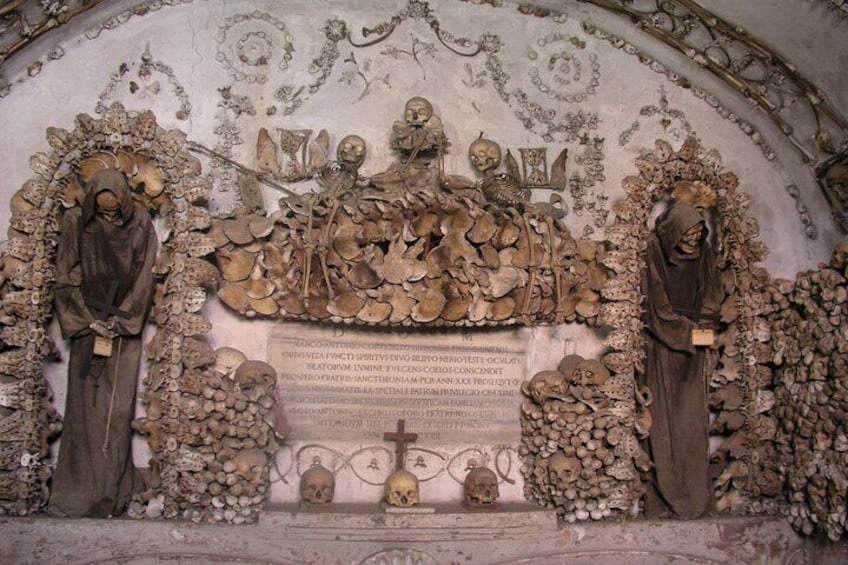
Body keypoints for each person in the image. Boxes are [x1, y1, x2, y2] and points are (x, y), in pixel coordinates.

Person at [49, 169, 158, 517]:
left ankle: (111, 491)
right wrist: (87, 320)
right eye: (102, 211)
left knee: (116, 409)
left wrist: (121, 321)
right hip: (87, 327)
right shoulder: (74, 224)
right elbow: (65, 274)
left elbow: (144, 278)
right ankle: (79, 490)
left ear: (124, 204)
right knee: (84, 408)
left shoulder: (140, 225)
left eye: (114, 211)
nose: (109, 217)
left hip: (121, 332)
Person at [641, 200, 722, 519]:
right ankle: (664, 494)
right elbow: (657, 305)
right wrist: (690, 333)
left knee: (692, 422)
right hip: (662, 347)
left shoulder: (704, 253)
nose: (691, 243)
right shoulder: (652, 250)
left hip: (694, 349)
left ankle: (693, 494)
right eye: (685, 236)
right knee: (660, 422)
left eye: (696, 237)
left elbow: (711, 295)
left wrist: (705, 327)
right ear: (672, 233)